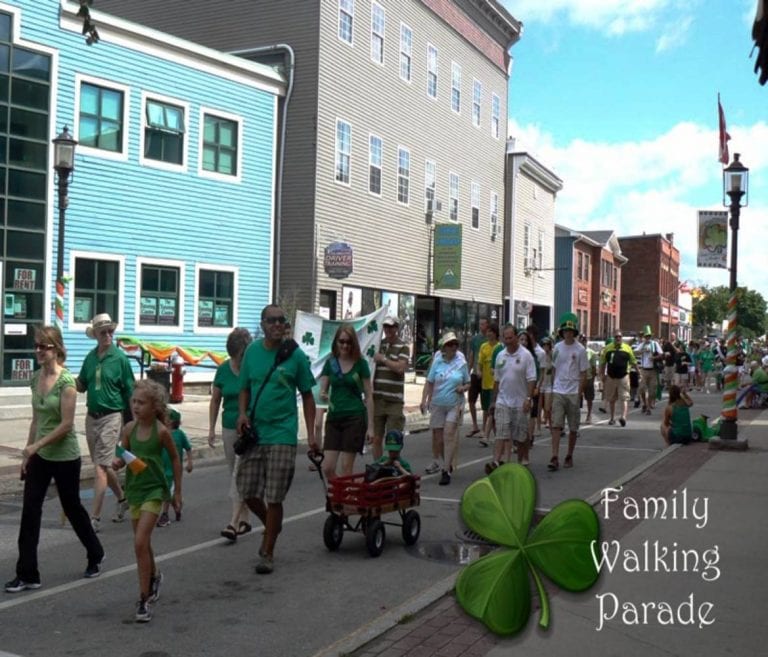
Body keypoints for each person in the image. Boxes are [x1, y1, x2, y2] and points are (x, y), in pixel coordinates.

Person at [5, 326, 105, 594]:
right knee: (30, 511)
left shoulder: (67, 383)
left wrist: (36, 445)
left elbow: (66, 425)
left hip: (65, 455)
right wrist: (29, 451)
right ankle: (27, 573)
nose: (38, 350)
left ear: (56, 349)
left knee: (72, 508)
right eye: (36, 346)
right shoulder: (35, 378)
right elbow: (37, 419)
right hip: (40, 455)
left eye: (44, 347)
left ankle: (95, 553)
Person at [236, 305, 318, 575]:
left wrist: (312, 433)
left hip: (283, 434)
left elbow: (308, 395)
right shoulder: (252, 352)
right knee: (247, 490)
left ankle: (267, 551)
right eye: (271, 320)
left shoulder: (295, 356)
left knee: (274, 497)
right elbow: (245, 388)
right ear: (262, 324)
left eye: (281, 320)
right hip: (256, 433)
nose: (276, 324)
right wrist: (242, 414)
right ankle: (273, 525)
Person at [112, 379, 181, 623]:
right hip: (135, 490)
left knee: (140, 541)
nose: (136, 406)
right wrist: (118, 462)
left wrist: (177, 493)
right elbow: (124, 454)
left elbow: (174, 459)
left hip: (154, 490)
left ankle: (144, 598)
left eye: (142, 403)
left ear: (154, 407)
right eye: (134, 402)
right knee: (143, 543)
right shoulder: (129, 429)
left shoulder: (161, 432)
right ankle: (156, 575)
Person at [76, 313, 135, 531]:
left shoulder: (120, 359)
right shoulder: (90, 358)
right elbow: (81, 384)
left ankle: (95, 517)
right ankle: (122, 499)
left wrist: (134, 422)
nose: (108, 335)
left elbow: (130, 391)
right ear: (96, 335)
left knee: (100, 466)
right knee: (103, 463)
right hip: (92, 417)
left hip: (112, 416)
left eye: (111, 331)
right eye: (103, 332)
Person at [208, 327, 253, 542]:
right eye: (239, 355)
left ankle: (233, 523)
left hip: (248, 428)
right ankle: (245, 519)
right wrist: (211, 428)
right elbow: (216, 400)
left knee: (240, 473)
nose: (241, 359)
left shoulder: (252, 370)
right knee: (233, 471)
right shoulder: (223, 370)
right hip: (228, 427)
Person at [318, 324, 374, 480]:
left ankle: (346, 502)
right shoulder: (331, 364)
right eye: (341, 341)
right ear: (336, 342)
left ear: (353, 343)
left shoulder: (361, 364)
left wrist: (371, 427)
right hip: (334, 419)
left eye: (349, 342)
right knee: (328, 467)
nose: (345, 345)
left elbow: (369, 395)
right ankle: (346, 497)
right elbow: (322, 390)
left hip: (354, 418)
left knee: (346, 468)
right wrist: (323, 394)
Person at [420, 331, 470, 486]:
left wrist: (463, 387)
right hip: (437, 403)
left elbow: (468, 382)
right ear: (445, 347)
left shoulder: (461, 363)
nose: (453, 347)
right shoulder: (437, 361)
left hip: (454, 403)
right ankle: (445, 461)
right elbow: (429, 381)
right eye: (450, 344)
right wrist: (424, 400)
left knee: (449, 433)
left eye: (455, 344)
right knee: (439, 438)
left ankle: (446, 470)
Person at [488, 325, 537, 470]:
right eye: (505, 338)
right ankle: (496, 462)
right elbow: (497, 380)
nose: (508, 341)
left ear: (516, 337)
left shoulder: (526, 356)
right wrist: (493, 401)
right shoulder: (500, 356)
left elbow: (531, 379)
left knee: (521, 437)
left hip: (520, 402)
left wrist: (528, 398)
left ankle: (522, 461)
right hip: (503, 400)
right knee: (501, 433)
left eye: (510, 338)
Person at [548, 314, 588, 471]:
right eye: (565, 331)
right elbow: (554, 368)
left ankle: (569, 454)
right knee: (556, 425)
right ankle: (554, 456)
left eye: (570, 331)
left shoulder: (580, 350)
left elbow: (584, 373)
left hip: (573, 391)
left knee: (572, 427)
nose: (568, 333)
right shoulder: (557, 348)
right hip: (558, 390)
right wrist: (552, 389)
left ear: (574, 332)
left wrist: (579, 393)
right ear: (562, 332)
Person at [371, 315, 409, 460]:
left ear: (396, 328)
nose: (388, 330)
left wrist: (384, 359)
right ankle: (378, 466)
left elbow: (400, 368)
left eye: (391, 327)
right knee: (376, 437)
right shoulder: (378, 345)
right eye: (386, 327)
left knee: (393, 438)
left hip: (394, 401)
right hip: (378, 398)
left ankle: (393, 465)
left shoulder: (403, 346)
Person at [157, 408, 193, 527]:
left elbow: (188, 448)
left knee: (168, 490)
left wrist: (190, 462)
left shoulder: (179, 434)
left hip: (174, 470)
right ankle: (177, 506)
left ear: (172, 421)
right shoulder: (161, 433)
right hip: (162, 467)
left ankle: (165, 514)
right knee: (168, 491)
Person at [600, 331, 637, 427]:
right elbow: (603, 362)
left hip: (623, 377)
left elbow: (633, 361)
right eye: (616, 337)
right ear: (613, 338)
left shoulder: (627, 348)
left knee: (624, 397)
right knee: (612, 398)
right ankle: (612, 418)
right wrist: (601, 374)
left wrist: (638, 372)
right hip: (611, 377)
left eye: (620, 337)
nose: (618, 338)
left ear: (622, 338)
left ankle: (623, 417)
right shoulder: (608, 349)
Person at [477, 323, 503, 446]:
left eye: (491, 331)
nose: (488, 334)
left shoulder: (499, 348)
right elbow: (480, 363)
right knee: (486, 409)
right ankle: (492, 434)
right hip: (485, 383)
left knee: (493, 411)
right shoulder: (483, 347)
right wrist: (478, 371)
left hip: (496, 385)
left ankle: (487, 435)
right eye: (487, 331)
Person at [466, 318, 488, 439]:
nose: (481, 326)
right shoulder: (475, 339)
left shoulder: (490, 340)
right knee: (471, 400)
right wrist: (468, 372)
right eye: (480, 324)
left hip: (486, 375)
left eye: (483, 324)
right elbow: (471, 355)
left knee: (485, 402)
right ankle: (475, 425)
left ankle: (484, 427)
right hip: (475, 373)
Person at [636, 326, 662, 415]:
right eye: (646, 336)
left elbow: (661, 354)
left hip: (653, 370)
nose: (648, 338)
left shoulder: (655, 344)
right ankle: (646, 405)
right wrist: (642, 350)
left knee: (652, 390)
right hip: (644, 370)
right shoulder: (642, 344)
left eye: (649, 336)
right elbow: (635, 352)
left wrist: (654, 357)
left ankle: (648, 405)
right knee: (642, 388)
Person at [578, 334, 598, 424]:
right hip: (578, 378)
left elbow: (594, 368)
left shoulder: (591, 353)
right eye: (581, 340)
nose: (583, 342)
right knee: (577, 398)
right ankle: (576, 415)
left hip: (588, 378)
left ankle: (589, 414)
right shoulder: (577, 351)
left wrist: (593, 379)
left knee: (589, 398)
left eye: (584, 340)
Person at [537, 337, 554, 429]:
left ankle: (547, 419)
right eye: (544, 345)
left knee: (548, 406)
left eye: (547, 345)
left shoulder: (552, 356)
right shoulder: (540, 356)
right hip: (541, 383)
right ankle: (538, 425)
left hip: (549, 383)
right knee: (539, 406)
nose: (546, 347)